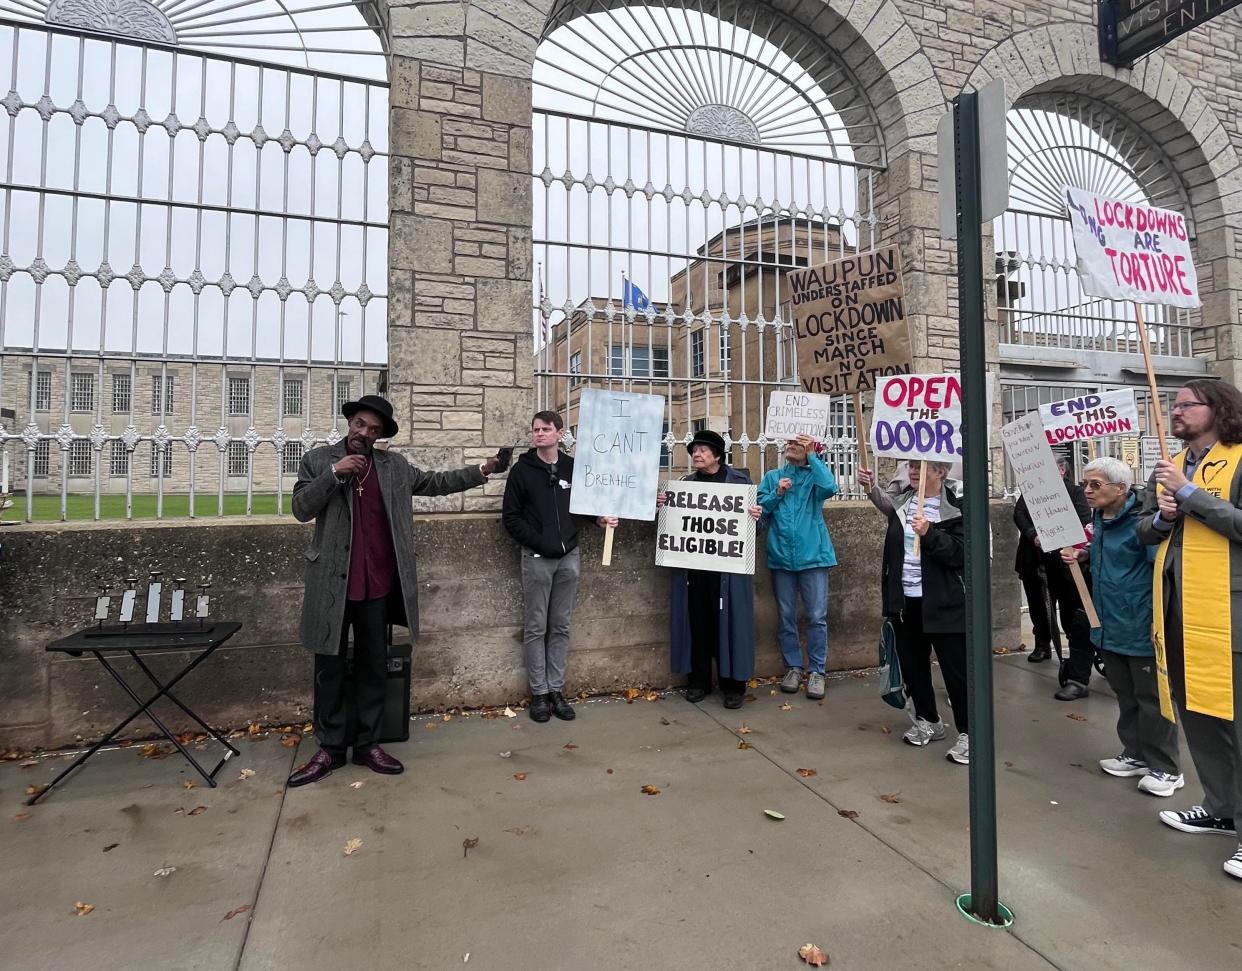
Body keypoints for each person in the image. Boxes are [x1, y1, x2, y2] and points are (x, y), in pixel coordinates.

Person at [287, 395, 507, 786]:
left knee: (374, 666)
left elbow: (436, 484)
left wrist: (484, 469)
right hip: (332, 588)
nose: (364, 434)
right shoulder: (319, 460)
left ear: (379, 435)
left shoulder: (393, 467)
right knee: (330, 670)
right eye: (359, 425)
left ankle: (369, 743)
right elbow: (301, 508)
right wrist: (335, 474)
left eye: (373, 430)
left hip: (377, 586)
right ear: (349, 423)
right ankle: (331, 749)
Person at [1138, 378, 1242, 881]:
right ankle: (1221, 808)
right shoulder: (1170, 465)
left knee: (1235, 721)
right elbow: (1143, 531)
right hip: (1178, 610)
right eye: (1172, 404)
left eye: (1185, 404)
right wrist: (1163, 514)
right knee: (1197, 712)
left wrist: (1192, 497)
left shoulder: (1239, 458)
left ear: (1219, 409)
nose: (1174, 411)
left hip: (1228, 611)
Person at [1060, 457, 1182, 796]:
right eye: (1086, 483)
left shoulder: (1143, 523)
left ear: (1121, 489)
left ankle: (1166, 768)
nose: (1087, 490)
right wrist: (1084, 556)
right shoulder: (1101, 518)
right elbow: (1108, 558)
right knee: (1126, 696)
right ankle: (1136, 754)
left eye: (1095, 485)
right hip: (1108, 622)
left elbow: (1157, 572)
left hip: (1139, 624)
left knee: (1153, 699)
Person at [502, 410, 617, 723]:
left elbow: (583, 507)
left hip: (570, 557)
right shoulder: (521, 471)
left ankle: (556, 690)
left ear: (559, 433)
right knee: (536, 626)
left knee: (561, 626)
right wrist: (540, 543)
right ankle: (539, 693)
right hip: (538, 559)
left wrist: (599, 519)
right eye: (535, 429)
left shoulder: (572, 467)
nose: (539, 434)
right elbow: (510, 518)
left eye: (545, 429)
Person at [858, 460, 969, 765]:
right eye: (911, 467)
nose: (914, 472)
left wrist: (930, 533)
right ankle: (928, 720)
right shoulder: (902, 504)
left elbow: (962, 553)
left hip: (945, 603)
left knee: (956, 671)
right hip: (906, 602)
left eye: (923, 467)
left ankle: (971, 733)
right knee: (913, 667)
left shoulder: (957, 506)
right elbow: (884, 502)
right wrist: (869, 486)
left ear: (941, 472)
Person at [659, 429, 761, 710]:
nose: (697, 454)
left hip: (728, 571)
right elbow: (673, 525)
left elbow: (757, 529)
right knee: (698, 623)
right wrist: (663, 507)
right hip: (695, 571)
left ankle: (733, 686)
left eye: (703, 450)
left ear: (717, 454)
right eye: (694, 450)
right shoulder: (685, 484)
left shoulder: (740, 482)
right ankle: (699, 681)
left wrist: (756, 517)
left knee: (729, 625)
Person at [756, 434, 839, 700]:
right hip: (781, 557)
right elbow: (759, 510)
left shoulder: (815, 475)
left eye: (798, 445)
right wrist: (777, 493)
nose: (790, 447)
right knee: (786, 616)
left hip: (814, 557)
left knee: (817, 616)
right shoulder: (772, 476)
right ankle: (792, 667)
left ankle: (817, 671)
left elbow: (830, 487)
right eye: (789, 444)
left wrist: (813, 456)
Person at [1015, 453, 1096, 700]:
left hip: (1064, 561)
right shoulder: (1032, 490)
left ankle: (1074, 651)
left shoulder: (1075, 492)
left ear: (1061, 471)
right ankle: (1042, 644)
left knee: (1069, 608)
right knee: (1038, 605)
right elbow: (1020, 514)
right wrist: (1033, 535)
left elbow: (1083, 520)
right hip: (1035, 557)